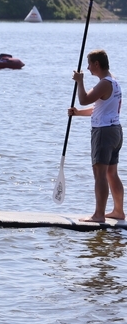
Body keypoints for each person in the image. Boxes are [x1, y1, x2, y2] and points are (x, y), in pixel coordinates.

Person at [68, 49, 124, 222]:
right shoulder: (112, 81)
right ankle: (118, 212)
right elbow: (98, 108)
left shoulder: (104, 83)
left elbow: (84, 99)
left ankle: (99, 214)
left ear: (97, 64)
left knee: (100, 174)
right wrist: (77, 113)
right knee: (111, 173)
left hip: (103, 133)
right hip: (115, 130)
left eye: (89, 64)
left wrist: (80, 81)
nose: (88, 67)